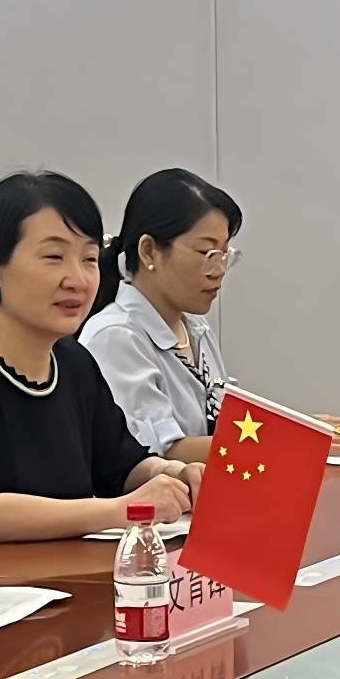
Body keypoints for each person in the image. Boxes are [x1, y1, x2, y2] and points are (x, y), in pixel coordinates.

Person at [0, 170, 192, 541]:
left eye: (89, 259)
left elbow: (121, 466)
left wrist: (174, 475)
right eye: (54, 256)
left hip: (59, 569)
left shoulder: (74, 363)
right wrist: (121, 510)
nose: (77, 279)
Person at [79, 168, 240, 462]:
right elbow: (159, 452)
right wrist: (284, 439)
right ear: (149, 251)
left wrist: (301, 429)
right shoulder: (115, 337)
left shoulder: (196, 328)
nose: (218, 271)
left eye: (224, 255)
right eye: (207, 253)